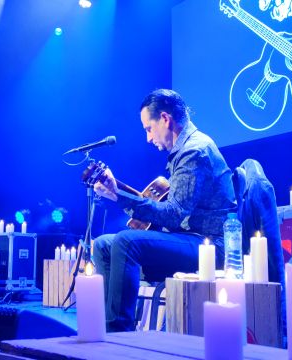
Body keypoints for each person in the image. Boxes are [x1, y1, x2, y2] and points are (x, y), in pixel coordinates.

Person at [92, 89, 237, 332]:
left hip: (210, 246)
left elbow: (173, 213)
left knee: (127, 242)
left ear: (166, 119)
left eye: (149, 128)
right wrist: (117, 193)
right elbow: (167, 210)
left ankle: (119, 334)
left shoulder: (194, 150)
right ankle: (108, 328)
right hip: (190, 240)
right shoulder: (185, 150)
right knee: (103, 245)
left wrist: (119, 196)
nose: (148, 138)